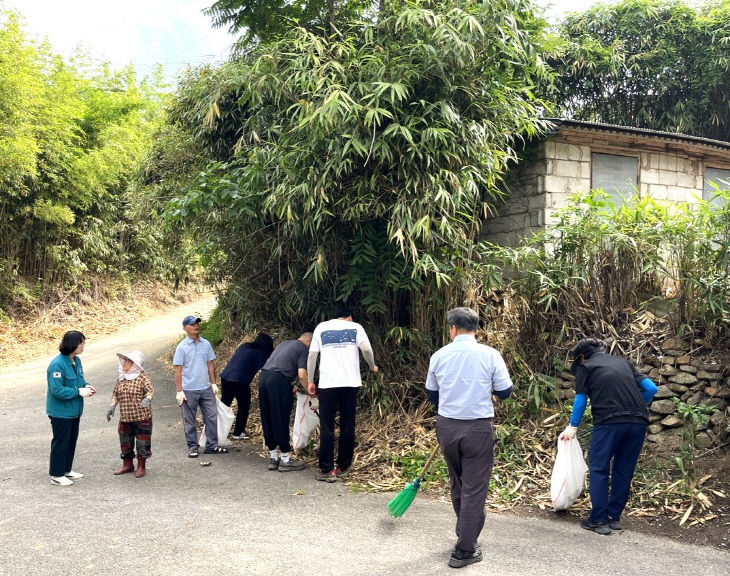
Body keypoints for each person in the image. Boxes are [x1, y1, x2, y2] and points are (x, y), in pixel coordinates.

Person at [425, 307, 513, 569]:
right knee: (474, 489)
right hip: (477, 429)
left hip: (447, 428)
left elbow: (432, 394)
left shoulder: (440, 355)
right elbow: (505, 391)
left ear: (452, 328)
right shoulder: (490, 355)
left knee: (458, 483)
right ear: (476, 328)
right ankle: (465, 548)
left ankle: (466, 533)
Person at [560, 338, 658, 535]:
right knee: (624, 470)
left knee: (599, 468)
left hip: (609, 422)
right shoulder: (624, 363)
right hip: (638, 422)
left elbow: (580, 400)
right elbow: (651, 388)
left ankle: (598, 520)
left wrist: (573, 427)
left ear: (581, 356)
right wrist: (636, 407)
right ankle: (614, 517)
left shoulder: (585, 367)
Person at [307, 305, 378, 482]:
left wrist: (310, 380)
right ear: (349, 317)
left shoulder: (321, 327)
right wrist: (372, 366)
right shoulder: (356, 327)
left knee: (327, 426)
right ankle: (343, 466)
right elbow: (367, 350)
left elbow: (312, 356)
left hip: (327, 384)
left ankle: (327, 469)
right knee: (348, 424)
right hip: (350, 383)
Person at [173, 315, 228, 457]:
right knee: (189, 420)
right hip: (188, 389)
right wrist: (179, 391)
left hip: (205, 388)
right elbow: (178, 370)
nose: (196, 326)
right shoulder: (182, 347)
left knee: (211, 417)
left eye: (197, 323)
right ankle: (192, 447)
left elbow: (210, 364)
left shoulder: (206, 344)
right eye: (192, 324)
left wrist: (213, 383)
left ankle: (212, 445)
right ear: (185, 328)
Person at [46, 330, 96, 486]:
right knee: (61, 442)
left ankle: (66, 470)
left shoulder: (77, 361)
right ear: (72, 344)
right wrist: (78, 391)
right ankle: (56, 474)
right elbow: (56, 390)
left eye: (83, 343)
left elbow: (79, 380)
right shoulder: (56, 364)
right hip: (61, 412)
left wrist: (86, 385)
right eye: (81, 343)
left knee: (71, 441)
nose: (83, 346)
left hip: (75, 411)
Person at [258, 332, 313, 472]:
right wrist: (312, 395)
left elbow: (278, 364)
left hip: (263, 377)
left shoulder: (285, 343)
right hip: (278, 380)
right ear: (310, 341)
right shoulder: (303, 348)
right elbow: (302, 375)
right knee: (280, 416)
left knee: (268, 416)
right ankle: (285, 459)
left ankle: (273, 457)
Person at [106, 350, 154, 478]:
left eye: (128, 361)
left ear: (135, 364)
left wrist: (147, 398)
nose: (124, 363)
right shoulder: (121, 379)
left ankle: (141, 466)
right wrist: (112, 406)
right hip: (125, 417)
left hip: (142, 417)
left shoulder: (142, 376)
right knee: (125, 441)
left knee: (142, 442)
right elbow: (115, 394)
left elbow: (150, 390)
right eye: (124, 360)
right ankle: (127, 465)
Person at [220, 333, 274, 440]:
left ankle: (219, 431)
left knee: (224, 406)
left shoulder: (244, 346)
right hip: (240, 381)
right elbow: (265, 370)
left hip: (225, 377)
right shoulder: (261, 353)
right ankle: (238, 432)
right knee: (243, 407)